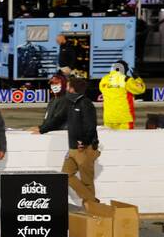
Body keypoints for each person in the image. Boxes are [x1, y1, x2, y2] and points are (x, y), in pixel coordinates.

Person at [34, 76, 101, 210]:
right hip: (72, 148)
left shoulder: (86, 104)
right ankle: (93, 201)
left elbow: (91, 126)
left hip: (85, 148)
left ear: (73, 89)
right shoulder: (69, 104)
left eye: (68, 86)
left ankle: (92, 209)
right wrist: (41, 129)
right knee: (66, 174)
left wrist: (85, 141)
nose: (66, 89)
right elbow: (57, 120)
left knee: (87, 181)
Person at [98, 60, 145, 130]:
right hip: (124, 118)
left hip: (109, 118)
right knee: (126, 140)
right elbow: (140, 89)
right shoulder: (126, 79)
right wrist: (137, 78)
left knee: (110, 140)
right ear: (124, 69)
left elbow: (102, 89)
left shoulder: (104, 79)